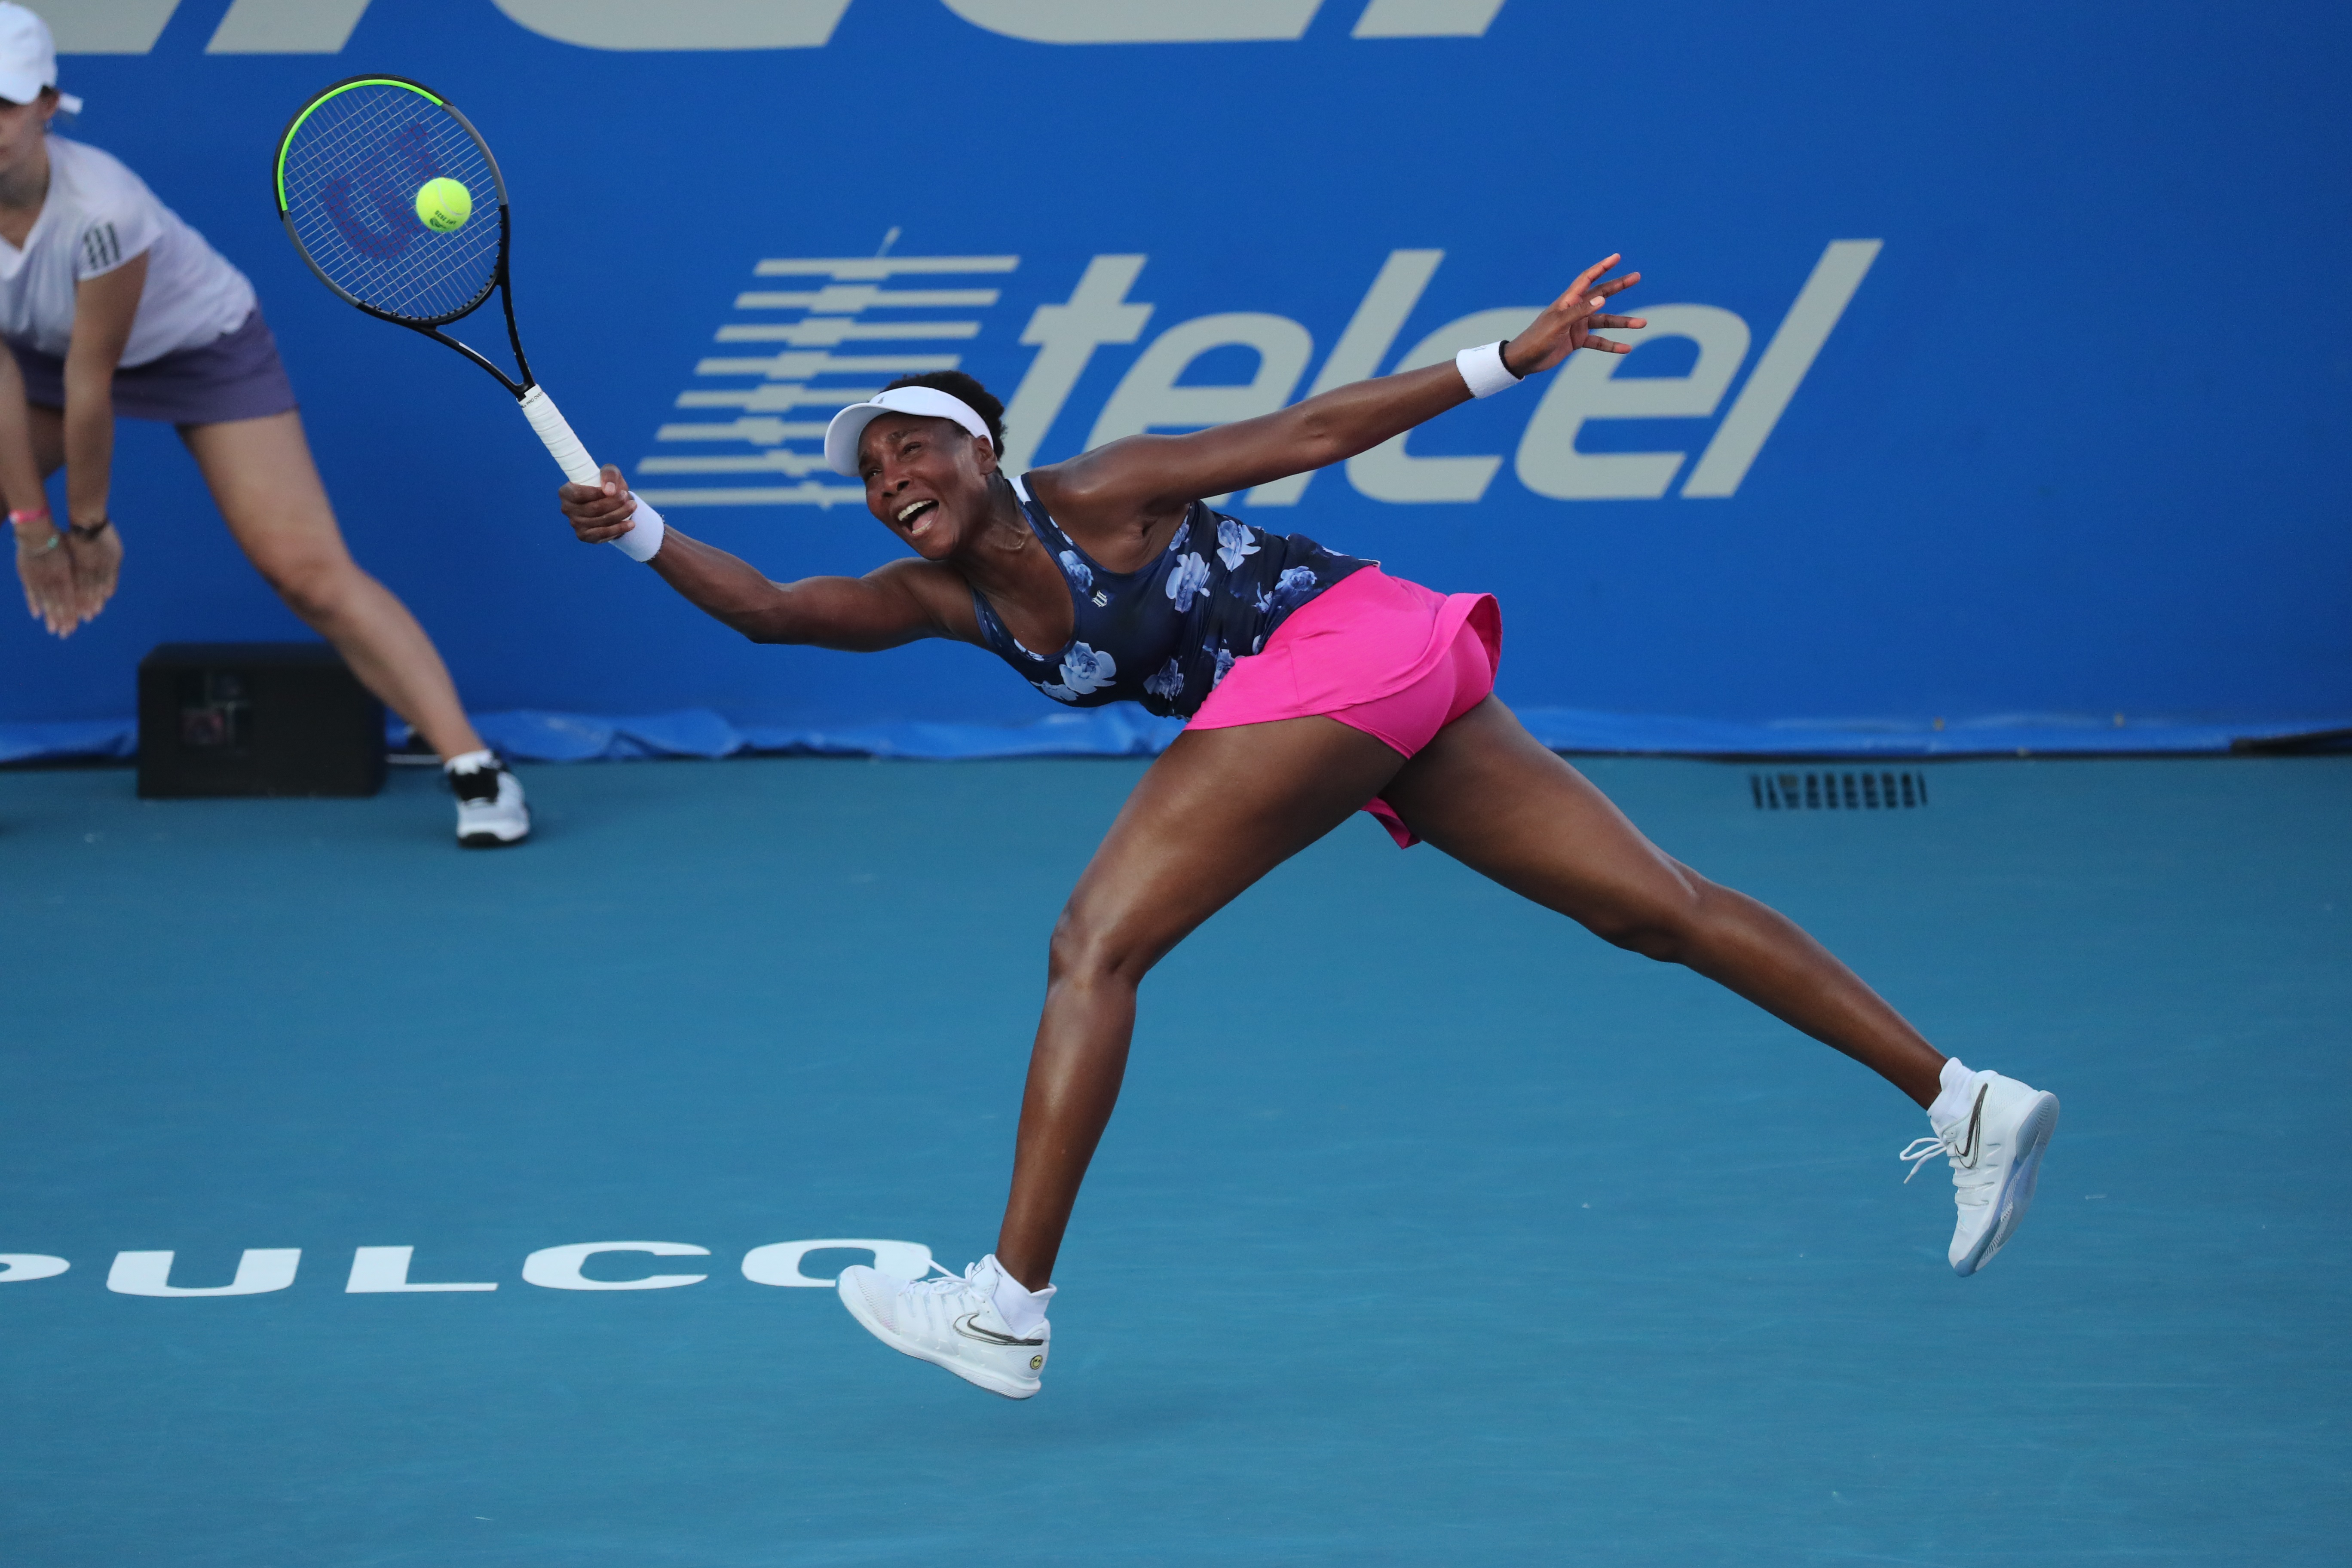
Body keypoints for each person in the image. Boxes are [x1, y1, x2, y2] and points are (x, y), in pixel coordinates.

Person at [559, 253, 2061, 1400]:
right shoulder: (932, 603)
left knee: (1097, 942)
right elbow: (767, 610)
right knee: (1649, 904)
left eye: (913, 452)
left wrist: (1507, 358)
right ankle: (1960, 1093)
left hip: (1348, 655)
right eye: (871, 474)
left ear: (983, 453)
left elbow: (1316, 423)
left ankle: (1006, 1305)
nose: (891, 484)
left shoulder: (1103, 488)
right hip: (1387, 694)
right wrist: (631, 528)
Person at [0, 4, 526, 847]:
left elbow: (90, 380)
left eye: (3, 103)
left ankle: (477, 769)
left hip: (197, 351)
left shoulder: (103, 208)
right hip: (37, 360)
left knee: (308, 574)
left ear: (48, 104)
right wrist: (33, 531)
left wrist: (87, 529)